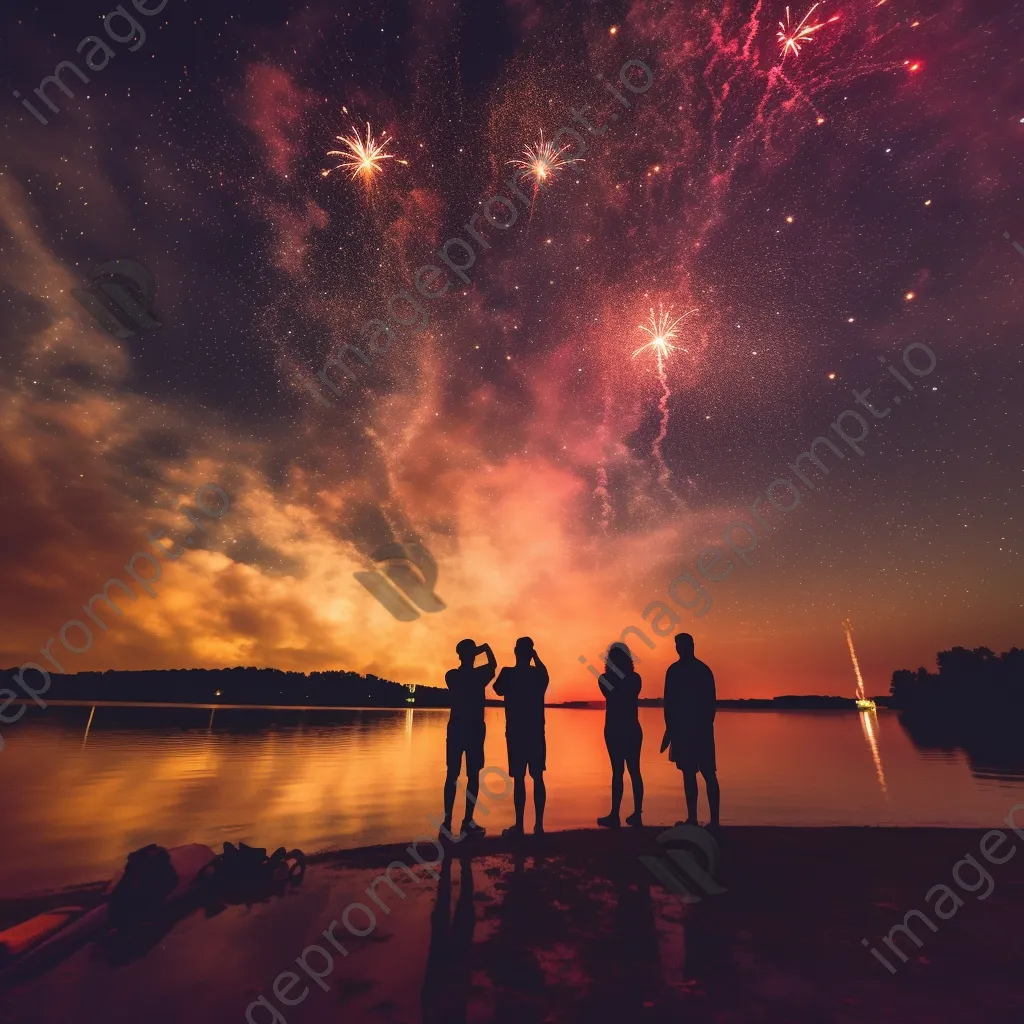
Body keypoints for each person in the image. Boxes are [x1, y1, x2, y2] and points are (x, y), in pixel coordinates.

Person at [662, 632, 720, 830]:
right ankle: (693, 818)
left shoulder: (702, 670)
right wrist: (669, 731)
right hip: (682, 730)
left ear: (692, 646)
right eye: (678, 645)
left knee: (708, 774)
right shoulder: (674, 671)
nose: (681, 649)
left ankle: (714, 821)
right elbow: (668, 703)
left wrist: (704, 726)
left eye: (684, 645)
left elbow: (710, 703)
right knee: (689, 773)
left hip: (700, 730)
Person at [493, 637, 549, 836]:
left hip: (516, 732)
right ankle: (539, 825)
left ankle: (519, 825)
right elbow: (545, 677)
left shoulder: (508, 674)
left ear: (516, 651)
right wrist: (536, 658)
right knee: (538, 777)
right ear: (531, 653)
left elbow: (497, 689)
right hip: (535, 731)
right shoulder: (537, 674)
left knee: (519, 779)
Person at [442, 639, 496, 839]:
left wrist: (477, 651)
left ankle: (448, 822)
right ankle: (467, 821)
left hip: (457, 729)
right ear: (472, 655)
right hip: (472, 729)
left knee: (453, 775)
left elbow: (491, 666)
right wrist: (486, 648)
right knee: (471, 776)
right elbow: (493, 665)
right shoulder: (477, 675)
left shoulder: (452, 675)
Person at [596, 642, 644, 828]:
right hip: (626, 729)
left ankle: (624, 814)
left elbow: (616, 693)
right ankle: (623, 814)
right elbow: (614, 693)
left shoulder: (629, 679)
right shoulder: (631, 678)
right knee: (627, 771)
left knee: (625, 771)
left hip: (620, 729)